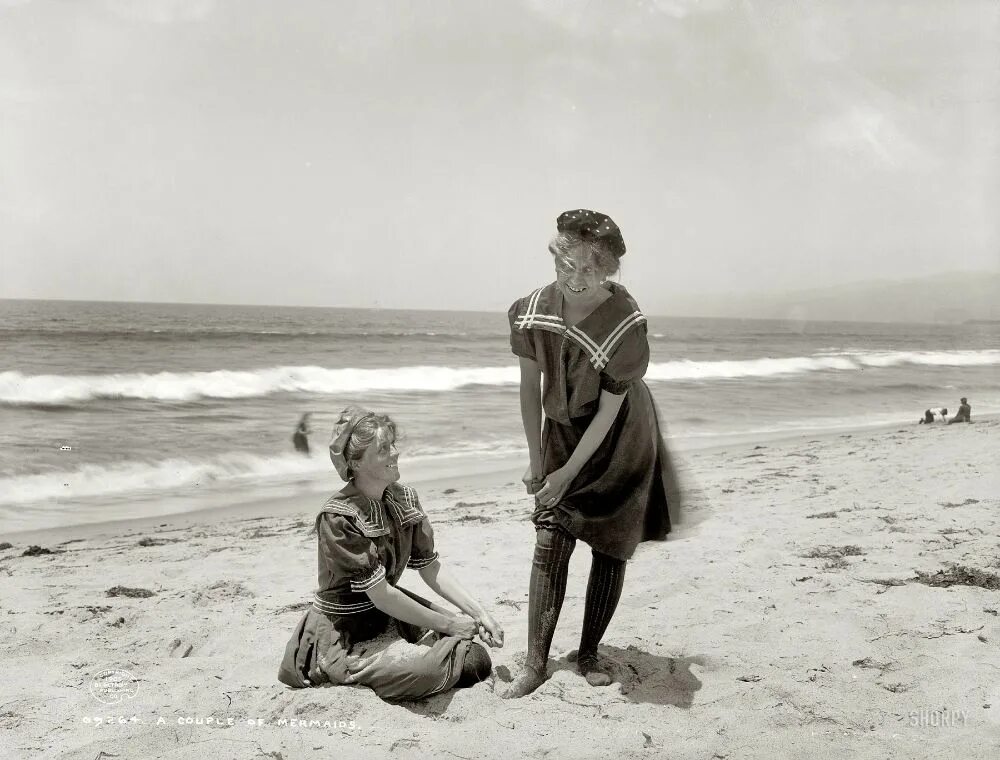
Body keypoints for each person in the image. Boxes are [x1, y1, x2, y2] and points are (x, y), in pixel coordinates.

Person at [502, 209, 681, 698]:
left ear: (607, 269)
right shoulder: (529, 310)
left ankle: (588, 654)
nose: (575, 279)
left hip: (621, 437)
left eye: (589, 269)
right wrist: (540, 462)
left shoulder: (626, 325)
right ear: (555, 255)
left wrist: (569, 474)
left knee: (609, 544)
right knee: (550, 539)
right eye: (566, 265)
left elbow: (606, 414)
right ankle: (535, 664)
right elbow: (529, 391)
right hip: (561, 428)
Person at [277, 406, 504, 700]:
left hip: (390, 615)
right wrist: (451, 623)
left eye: (393, 444)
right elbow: (381, 593)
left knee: (475, 660)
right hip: (344, 631)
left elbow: (430, 567)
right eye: (383, 449)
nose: (395, 453)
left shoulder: (404, 498)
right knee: (448, 664)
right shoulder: (338, 518)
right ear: (355, 463)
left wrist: (480, 614)